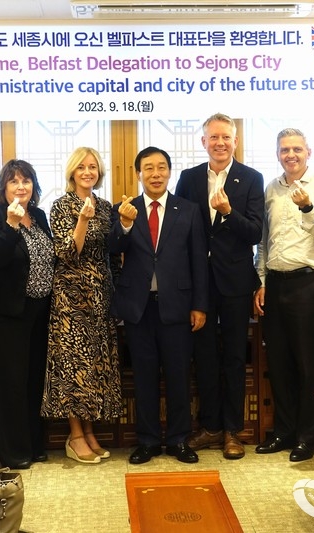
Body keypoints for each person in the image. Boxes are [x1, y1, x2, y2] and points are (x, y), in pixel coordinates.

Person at [109, 146, 208, 465]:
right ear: (139, 173)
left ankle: (179, 439)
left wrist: (199, 305)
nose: (156, 173)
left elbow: (198, 260)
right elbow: (113, 246)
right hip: (139, 307)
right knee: (144, 377)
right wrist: (125, 224)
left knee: (179, 376)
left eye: (161, 167)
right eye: (149, 168)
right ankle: (148, 441)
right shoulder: (125, 209)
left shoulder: (188, 210)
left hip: (178, 305)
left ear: (169, 171)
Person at [175, 113, 264, 460]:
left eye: (226, 137)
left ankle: (232, 430)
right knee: (204, 356)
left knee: (234, 357)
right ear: (204, 142)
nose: (220, 143)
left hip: (236, 282)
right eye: (213, 137)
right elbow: (178, 228)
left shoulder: (251, 178)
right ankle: (210, 426)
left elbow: (255, 232)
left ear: (235, 141)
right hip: (198, 282)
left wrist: (228, 212)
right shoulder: (189, 178)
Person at [253, 129, 314, 462]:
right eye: (285, 150)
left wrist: (307, 208)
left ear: (308, 152)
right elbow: (264, 241)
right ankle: (283, 432)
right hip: (275, 284)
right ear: (278, 154)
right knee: (279, 362)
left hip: (308, 283)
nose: (291, 155)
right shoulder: (271, 188)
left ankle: (307, 436)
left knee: (308, 364)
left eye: (297, 149)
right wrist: (261, 281)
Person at [41, 147, 122, 465]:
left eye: (93, 167)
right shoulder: (61, 206)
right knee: (74, 367)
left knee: (95, 367)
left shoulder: (105, 207)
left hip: (100, 295)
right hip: (71, 298)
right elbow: (66, 253)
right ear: (72, 172)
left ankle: (89, 432)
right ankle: (74, 436)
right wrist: (82, 222)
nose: (88, 172)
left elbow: (112, 253)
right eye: (82, 167)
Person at [0, 159, 53, 469]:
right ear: (3, 187)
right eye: (14, 181)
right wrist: (10, 224)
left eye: (26, 181)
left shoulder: (39, 216)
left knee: (34, 380)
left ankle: (34, 444)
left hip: (39, 310)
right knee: (9, 383)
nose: (21, 187)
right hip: (5, 314)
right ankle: (12, 451)